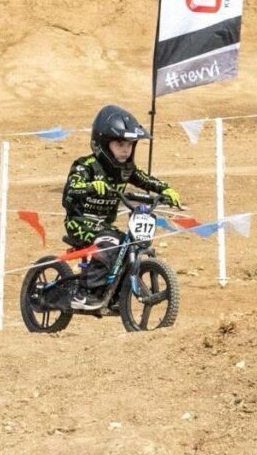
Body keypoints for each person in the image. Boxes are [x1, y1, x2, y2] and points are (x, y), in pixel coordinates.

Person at [61, 105, 181, 309]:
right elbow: (72, 187)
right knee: (110, 243)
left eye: (130, 145)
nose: (126, 150)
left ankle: (114, 293)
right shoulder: (85, 165)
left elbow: (145, 179)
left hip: (104, 225)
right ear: (103, 144)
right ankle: (85, 293)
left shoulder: (126, 169)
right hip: (79, 221)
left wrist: (166, 189)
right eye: (120, 144)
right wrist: (90, 186)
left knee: (126, 245)